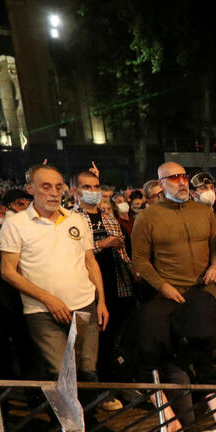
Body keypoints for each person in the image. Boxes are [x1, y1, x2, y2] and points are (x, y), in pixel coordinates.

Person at [0, 164, 109, 392]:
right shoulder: (15, 224)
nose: (53, 193)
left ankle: (89, 414)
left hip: (84, 306)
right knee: (60, 374)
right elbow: (7, 271)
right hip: (42, 311)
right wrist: (48, 299)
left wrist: (101, 301)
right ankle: (65, 417)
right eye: (46, 187)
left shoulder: (76, 220)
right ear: (30, 189)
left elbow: (90, 262)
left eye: (58, 187)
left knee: (87, 372)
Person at [131, 160, 216, 381]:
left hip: (206, 287)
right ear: (161, 184)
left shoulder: (204, 212)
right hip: (172, 292)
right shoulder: (147, 218)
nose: (182, 182)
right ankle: (190, 391)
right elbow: (140, 259)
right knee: (179, 348)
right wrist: (162, 286)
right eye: (174, 178)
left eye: (184, 177)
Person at [71, 170, 136, 398]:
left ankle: (118, 386)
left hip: (118, 287)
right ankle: (98, 393)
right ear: (75, 192)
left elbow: (123, 253)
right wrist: (102, 245)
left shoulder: (108, 217)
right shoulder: (71, 220)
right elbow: (74, 256)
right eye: (87, 187)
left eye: (96, 186)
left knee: (116, 341)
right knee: (92, 345)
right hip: (88, 291)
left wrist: (133, 272)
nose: (93, 191)